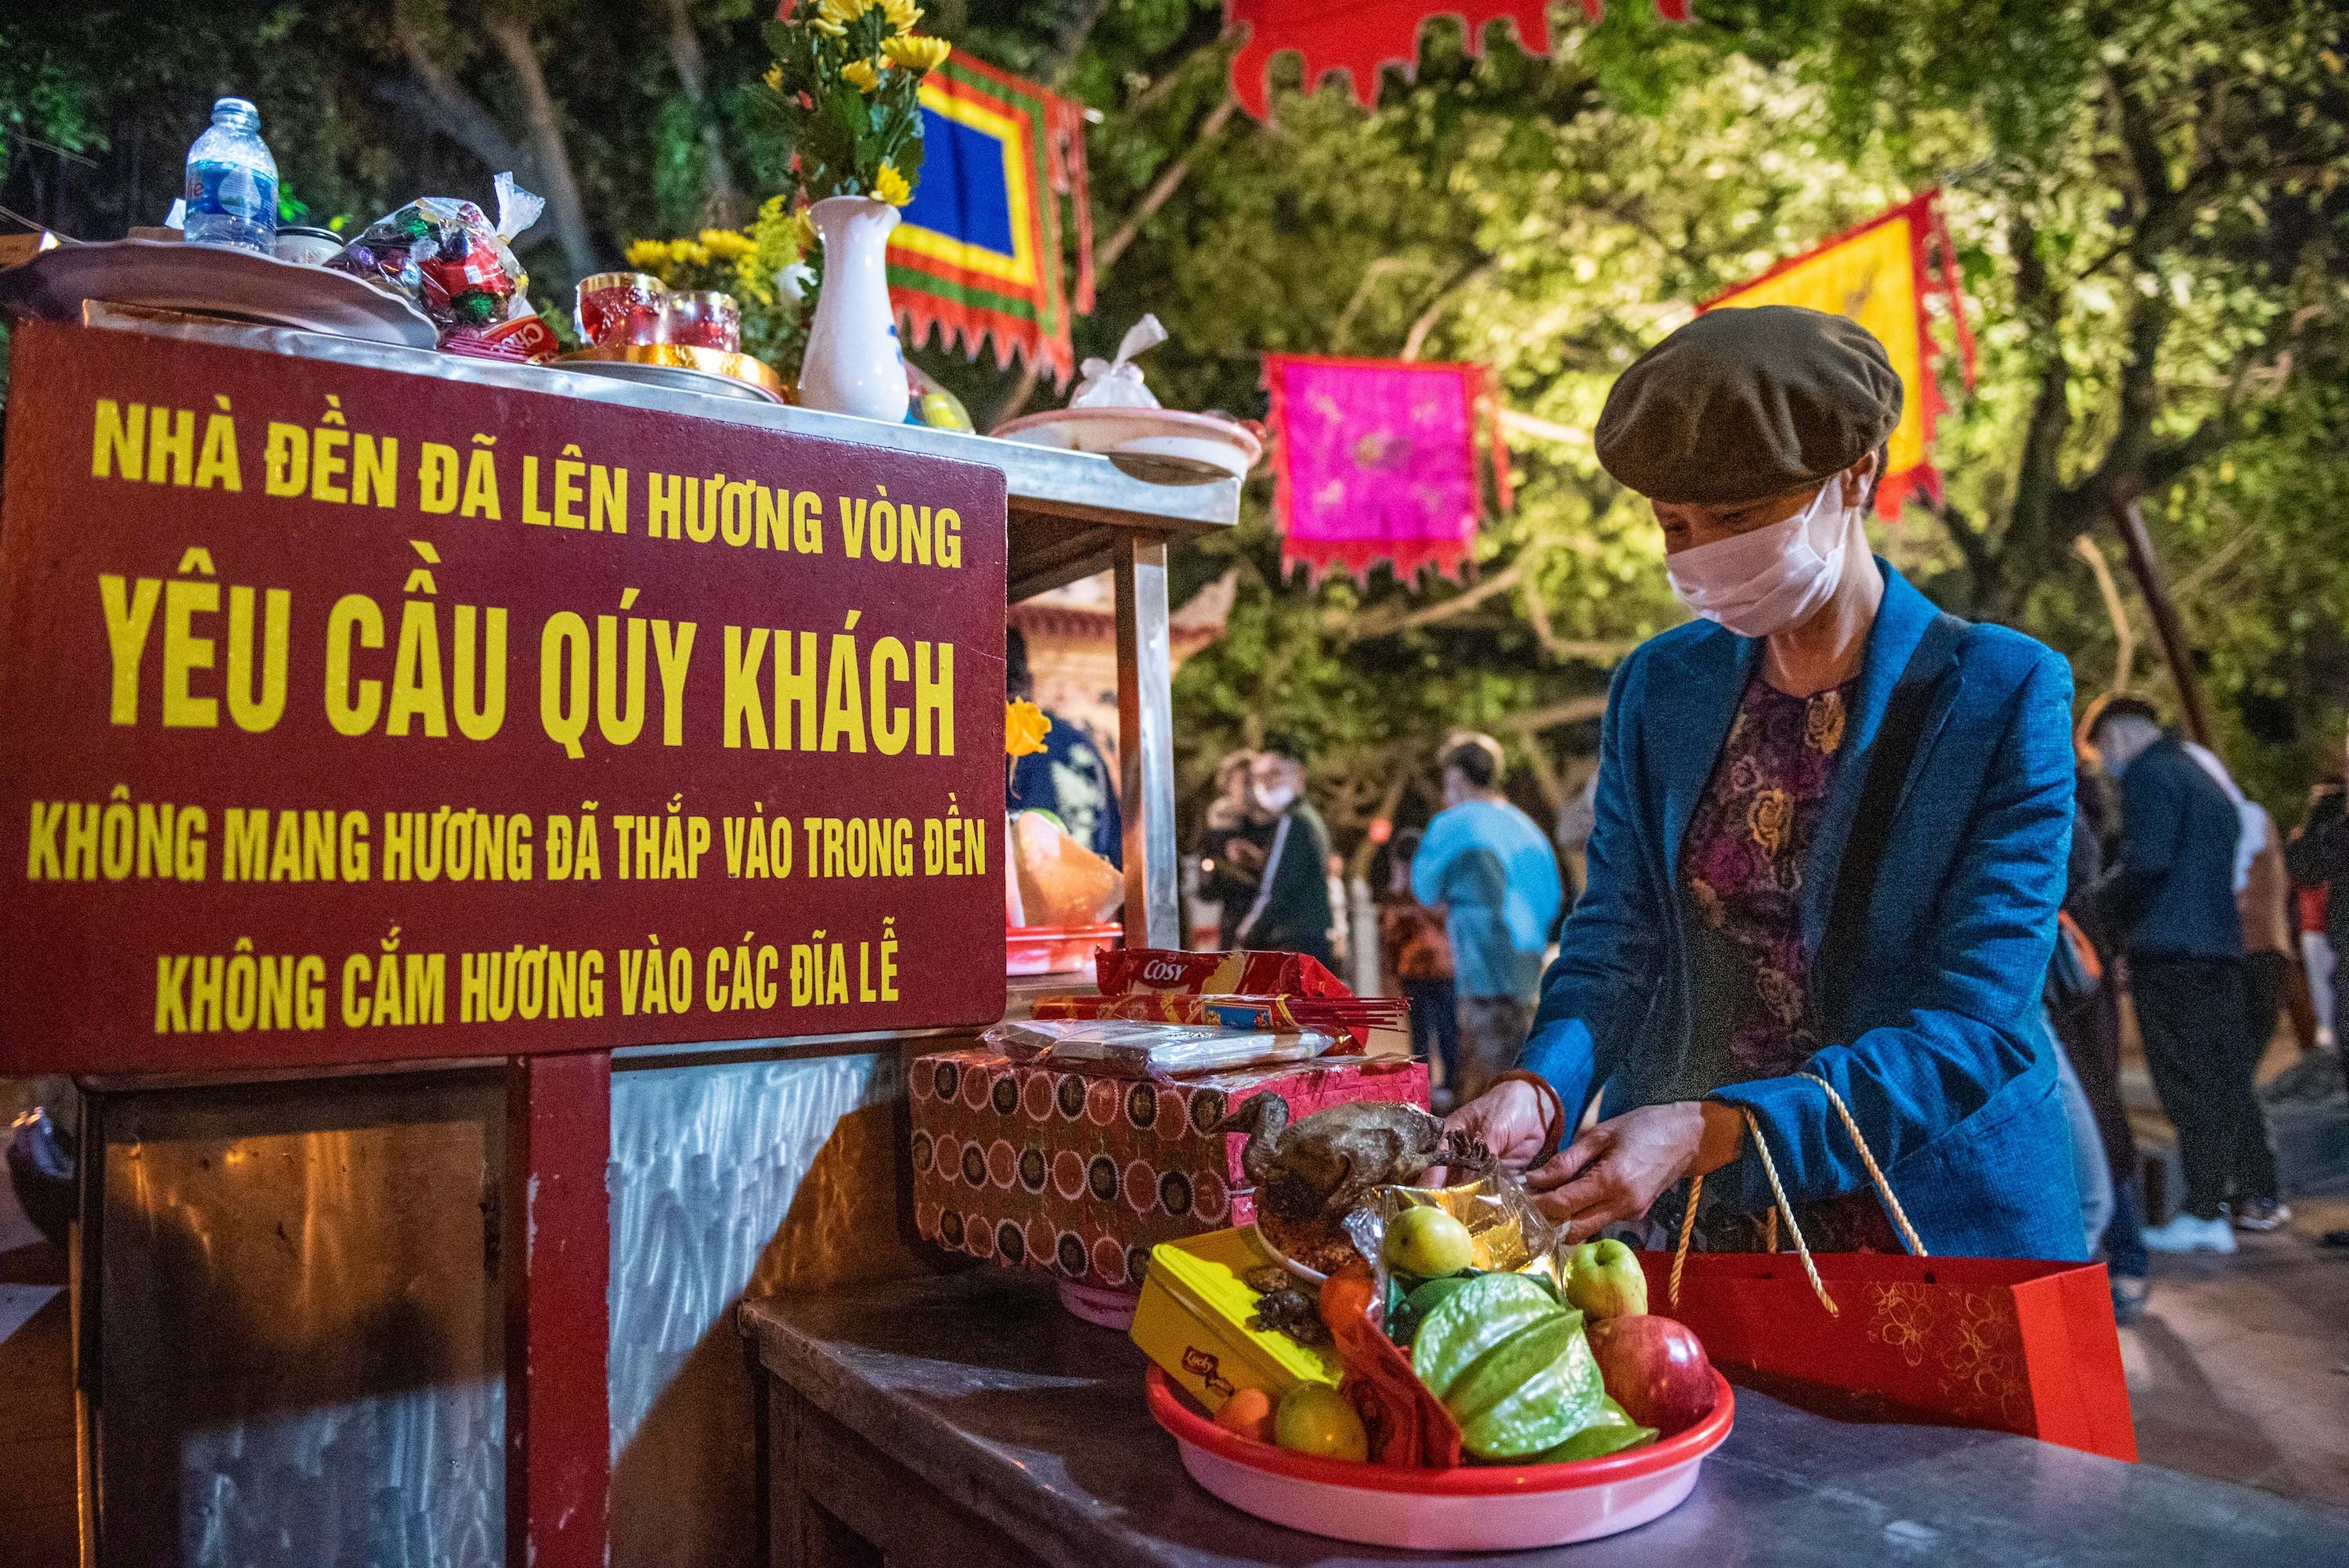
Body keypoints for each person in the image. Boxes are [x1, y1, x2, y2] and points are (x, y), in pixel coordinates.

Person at [1445, 305, 2086, 1260]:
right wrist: (1544, 1084)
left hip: (1925, 1209)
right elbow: (1619, 936)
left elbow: (1973, 1021)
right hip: (1693, 1215)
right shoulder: (1660, 687)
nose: (1702, 554)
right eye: (1674, 526)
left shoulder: (1998, 692)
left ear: (1855, 474)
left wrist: (1718, 1127)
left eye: (1738, 518)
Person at [2085, 697, 2260, 1254]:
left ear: (2118, 735)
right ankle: (2220, 1203)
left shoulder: (2150, 774)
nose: (2107, 763)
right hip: (2217, 950)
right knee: (2220, 1080)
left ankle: (2204, 1211)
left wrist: (2092, 910)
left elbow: (2148, 861)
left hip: (2172, 953)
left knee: (2186, 1084)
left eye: (2103, 748)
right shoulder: (2200, 777)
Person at [1411, 736, 1564, 1105]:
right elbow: (1555, 894)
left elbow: (1424, 887)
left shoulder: (1454, 823)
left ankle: (1487, 1153)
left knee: (1484, 1070)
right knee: (1522, 1058)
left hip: (1482, 960)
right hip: (1526, 962)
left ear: (1459, 779)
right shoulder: (1526, 825)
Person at [1005, 626, 1122, 866]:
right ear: (1030, 682)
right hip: (1092, 892)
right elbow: (1116, 847)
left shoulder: (1002, 742)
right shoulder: (1080, 743)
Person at [2232, 801, 2293, 1230]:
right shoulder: (2255, 816)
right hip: (2265, 959)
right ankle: (2255, 1190)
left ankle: (2263, 1193)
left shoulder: (2244, 820)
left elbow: (2243, 900)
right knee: (2234, 1079)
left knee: (2234, 1079)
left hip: (2256, 960)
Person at [1230, 735, 1339, 969]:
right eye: (1259, 777)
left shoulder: (1292, 822)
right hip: (1312, 937)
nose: (1266, 783)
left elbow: (1275, 889)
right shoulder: (1309, 818)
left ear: (1298, 775)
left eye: (1275, 774)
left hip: (1291, 941)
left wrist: (1243, 936)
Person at [1379, 828, 1460, 1105]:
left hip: (1429, 967)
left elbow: (1393, 933)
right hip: (1428, 968)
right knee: (1432, 1031)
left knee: (1436, 1031)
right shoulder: (1433, 883)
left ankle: (1440, 1087)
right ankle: (1437, 1088)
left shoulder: (1414, 888)